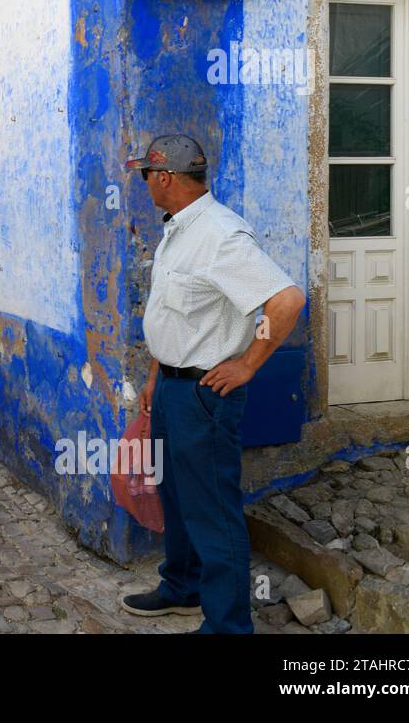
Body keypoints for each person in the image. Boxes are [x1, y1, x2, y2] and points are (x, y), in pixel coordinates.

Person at [119, 135, 305, 634]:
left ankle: (227, 626)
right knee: (176, 495)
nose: (145, 186)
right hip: (173, 387)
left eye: (146, 177)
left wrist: (248, 364)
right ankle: (183, 587)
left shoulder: (221, 234)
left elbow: (285, 301)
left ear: (164, 178)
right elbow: (177, 315)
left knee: (212, 510)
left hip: (206, 395)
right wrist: (157, 376)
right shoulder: (179, 231)